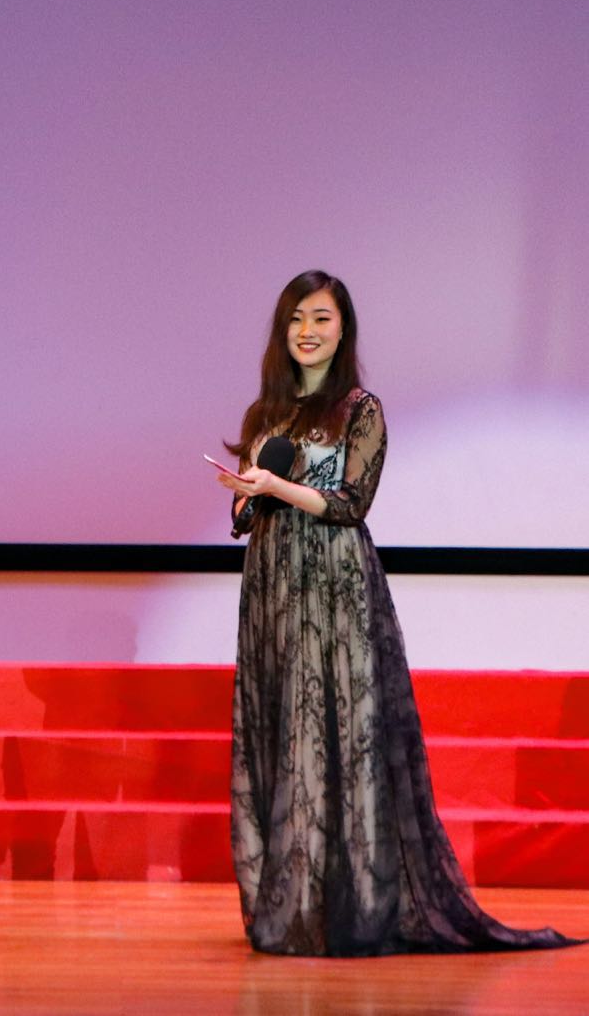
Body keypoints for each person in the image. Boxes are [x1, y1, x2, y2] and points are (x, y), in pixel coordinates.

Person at [215, 269, 577, 956]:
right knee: (286, 733)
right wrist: (245, 498)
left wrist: (279, 486)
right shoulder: (267, 413)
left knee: (338, 736)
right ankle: (293, 905)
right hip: (274, 590)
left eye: (320, 318)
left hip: (336, 585)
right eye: (296, 318)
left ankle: (354, 908)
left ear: (342, 329)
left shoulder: (360, 410)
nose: (307, 331)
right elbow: (251, 512)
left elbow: (351, 503)